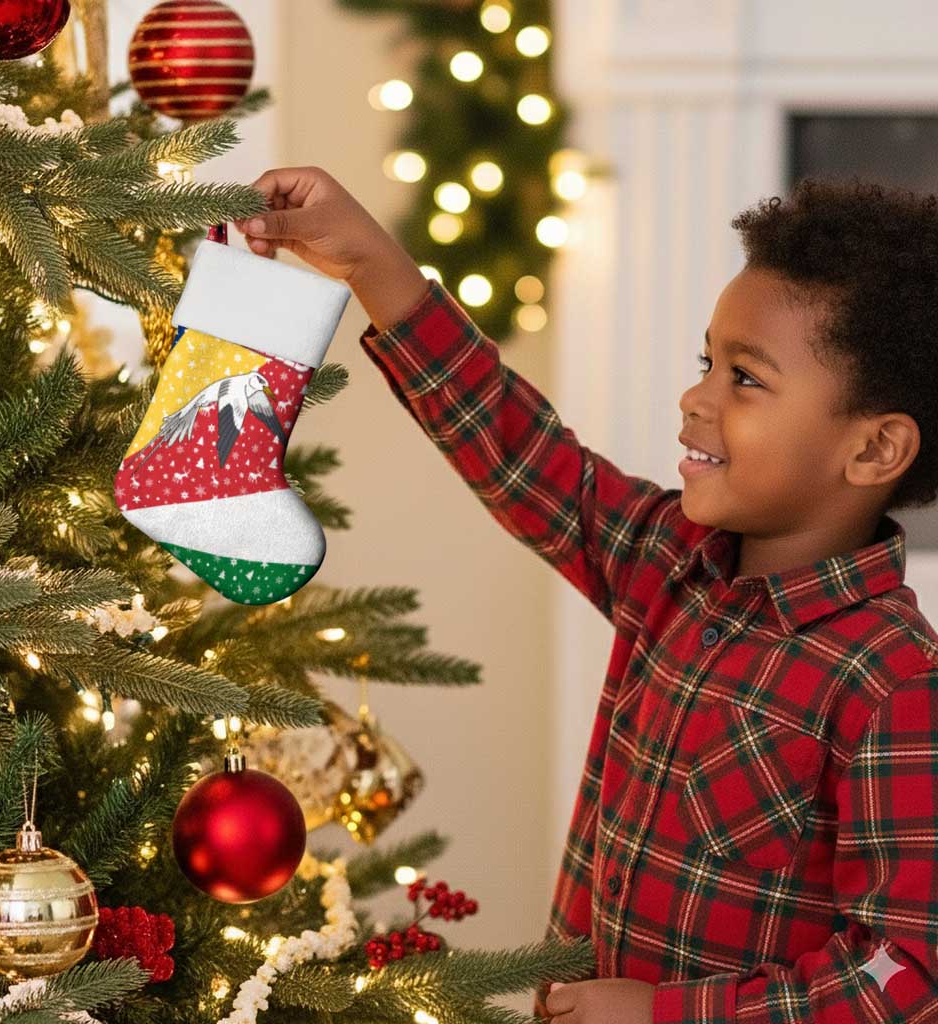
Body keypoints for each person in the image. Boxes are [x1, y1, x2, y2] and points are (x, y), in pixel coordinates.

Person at [235, 168, 938, 1024]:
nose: (697, 397)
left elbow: (901, 982)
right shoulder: (672, 565)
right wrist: (374, 266)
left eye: (745, 380)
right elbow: (521, 453)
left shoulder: (894, 683)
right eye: (706, 362)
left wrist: (665, 1016)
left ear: (873, 450)